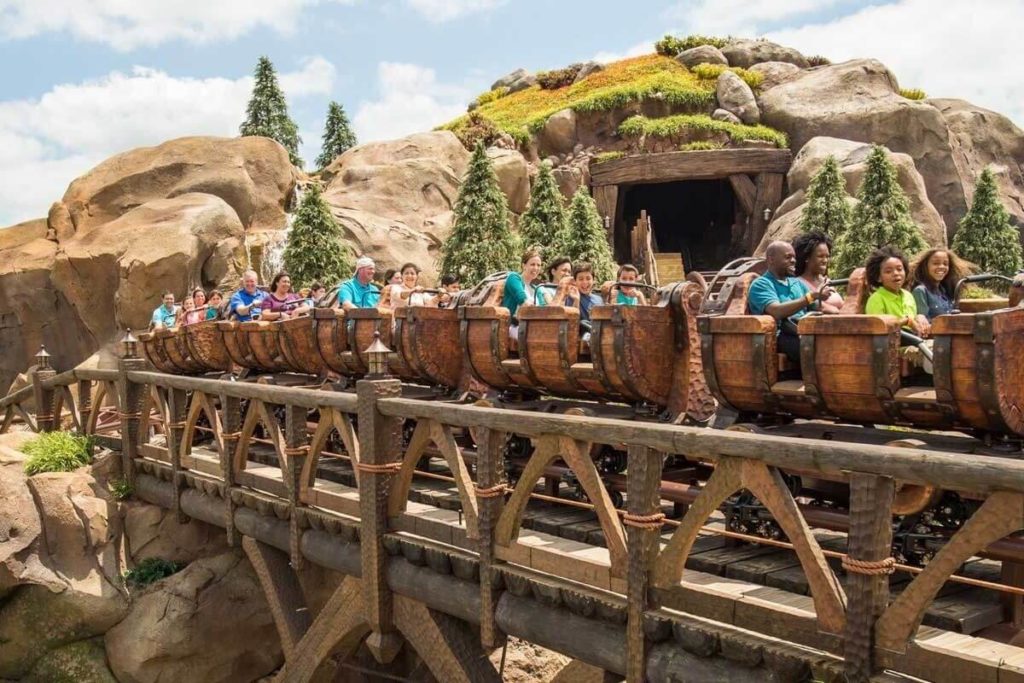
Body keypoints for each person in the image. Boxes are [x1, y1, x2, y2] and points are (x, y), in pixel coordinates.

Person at [747, 241, 836, 365]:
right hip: (780, 337)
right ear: (771, 259)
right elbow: (776, 311)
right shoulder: (762, 284)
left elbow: (816, 307)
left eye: (794, 257)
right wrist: (812, 296)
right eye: (788, 257)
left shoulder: (796, 283)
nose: (793, 261)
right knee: (822, 352)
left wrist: (841, 315)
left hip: (803, 332)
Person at [910, 248, 972, 320]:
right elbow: (923, 324)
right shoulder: (920, 291)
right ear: (925, 266)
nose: (941, 267)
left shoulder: (946, 291)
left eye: (945, 264)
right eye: (936, 263)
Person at [793, 232, 843, 314]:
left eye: (827, 256)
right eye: (820, 256)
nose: (825, 260)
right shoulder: (798, 284)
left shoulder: (827, 281)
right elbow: (826, 309)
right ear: (807, 258)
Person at [502, 248, 543, 321]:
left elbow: (544, 308)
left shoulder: (536, 289)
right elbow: (522, 300)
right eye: (532, 264)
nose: (536, 268)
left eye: (538, 265)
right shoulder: (514, 278)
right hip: (512, 326)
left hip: (532, 324)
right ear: (524, 266)